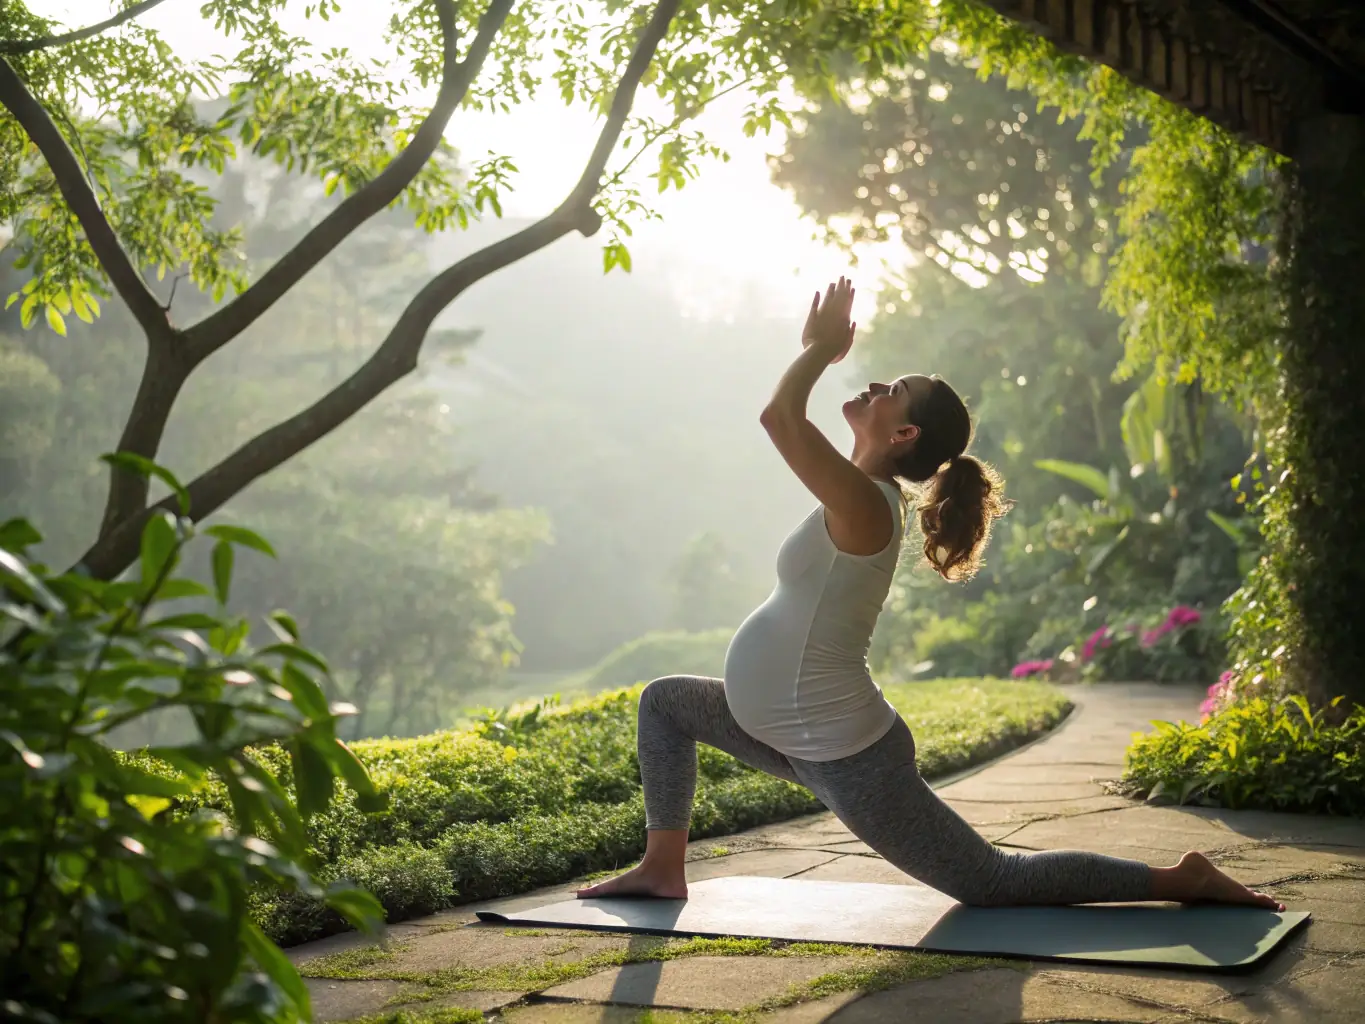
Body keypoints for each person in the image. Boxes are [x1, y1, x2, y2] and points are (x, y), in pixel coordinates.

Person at [578, 277, 1283, 912]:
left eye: (892, 389)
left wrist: (819, 352)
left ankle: (1181, 879)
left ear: (904, 432)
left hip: (847, 754)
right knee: (665, 703)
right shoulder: (855, 490)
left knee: (992, 881)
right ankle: (662, 868)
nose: (873, 384)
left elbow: (779, 420)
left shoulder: (868, 504)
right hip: (786, 733)